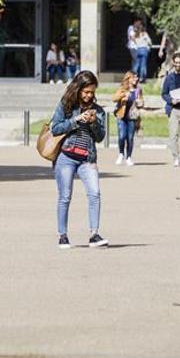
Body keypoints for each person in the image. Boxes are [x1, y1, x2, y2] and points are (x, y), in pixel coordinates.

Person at [49, 70, 108, 249]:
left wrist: (93, 123)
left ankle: (94, 234)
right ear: (78, 89)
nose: (89, 95)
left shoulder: (98, 111)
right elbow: (55, 128)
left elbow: (100, 138)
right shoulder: (66, 105)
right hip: (66, 157)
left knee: (95, 193)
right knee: (65, 197)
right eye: (86, 91)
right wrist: (76, 120)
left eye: (92, 92)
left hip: (87, 159)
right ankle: (63, 235)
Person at [112, 71, 144, 166]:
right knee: (122, 136)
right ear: (128, 79)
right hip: (121, 116)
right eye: (134, 77)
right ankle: (121, 154)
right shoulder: (122, 89)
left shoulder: (138, 90)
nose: (136, 79)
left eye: (137, 77)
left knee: (130, 138)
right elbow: (114, 98)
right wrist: (123, 95)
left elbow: (142, 103)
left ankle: (129, 157)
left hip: (132, 117)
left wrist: (140, 102)